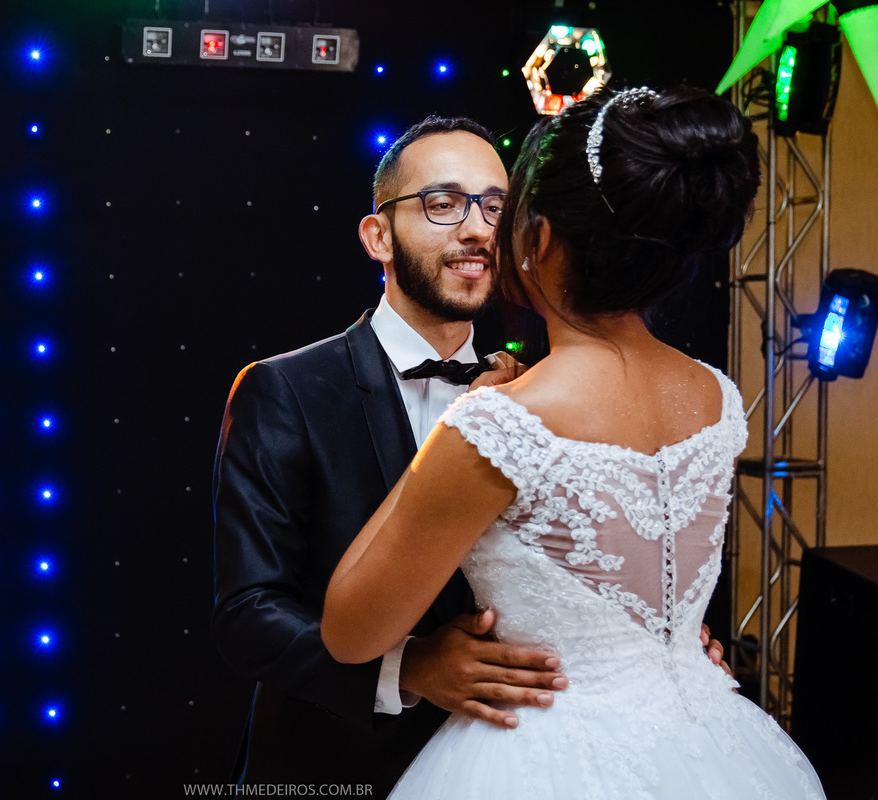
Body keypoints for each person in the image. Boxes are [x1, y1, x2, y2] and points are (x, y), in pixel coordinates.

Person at [321, 87, 826, 799]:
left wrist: (454, 430)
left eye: (504, 210)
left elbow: (350, 632)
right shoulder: (715, 396)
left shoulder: (501, 423)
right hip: (713, 751)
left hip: (542, 757)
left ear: (539, 239)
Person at [210, 117, 570, 796]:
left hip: (511, 763)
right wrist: (410, 668)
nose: (477, 229)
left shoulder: (540, 391)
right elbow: (248, 615)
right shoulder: (284, 390)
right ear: (378, 236)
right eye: (443, 203)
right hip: (334, 769)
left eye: (496, 207)